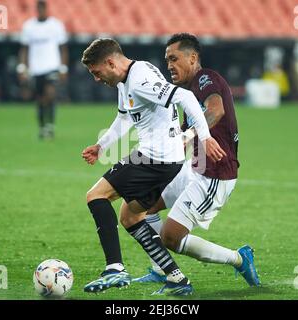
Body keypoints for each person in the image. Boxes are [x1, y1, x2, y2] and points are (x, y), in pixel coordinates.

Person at [80, 38, 226, 296]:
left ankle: (115, 268)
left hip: (153, 158)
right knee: (130, 217)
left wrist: (204, 136)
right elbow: (125, 117)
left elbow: (185, 96)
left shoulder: (139, 79)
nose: (96, 79)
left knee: (96, 196)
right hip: (164, 160)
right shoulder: (128, 79)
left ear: (111, 62)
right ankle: (176, 277)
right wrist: (101, 146)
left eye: (96, 72)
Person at [133, 33, 260, 287]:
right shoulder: (186, 92)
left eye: (174, 58)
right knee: (141, 207)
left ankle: (239, 259)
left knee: (171, 237)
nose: (169, 65)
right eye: (166, 60)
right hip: (195, 169)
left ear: (192, 58)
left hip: (215, 175)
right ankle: (162, 269)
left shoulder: (205, 79)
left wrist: (187, 137)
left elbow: (215, 110)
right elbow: (183, 135)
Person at [18, 0, 68, 140]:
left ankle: (50, 126)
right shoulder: (28, 26)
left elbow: (63, 48)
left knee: (50, 94)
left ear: (46, 9)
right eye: (38, 8)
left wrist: (63, 68)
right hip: (36, 68)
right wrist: (22, 68)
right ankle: (42, 127)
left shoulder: (56, 25)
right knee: (40, 99)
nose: (41, 11)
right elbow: (24, 49)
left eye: (43, 8)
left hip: (52, 66)